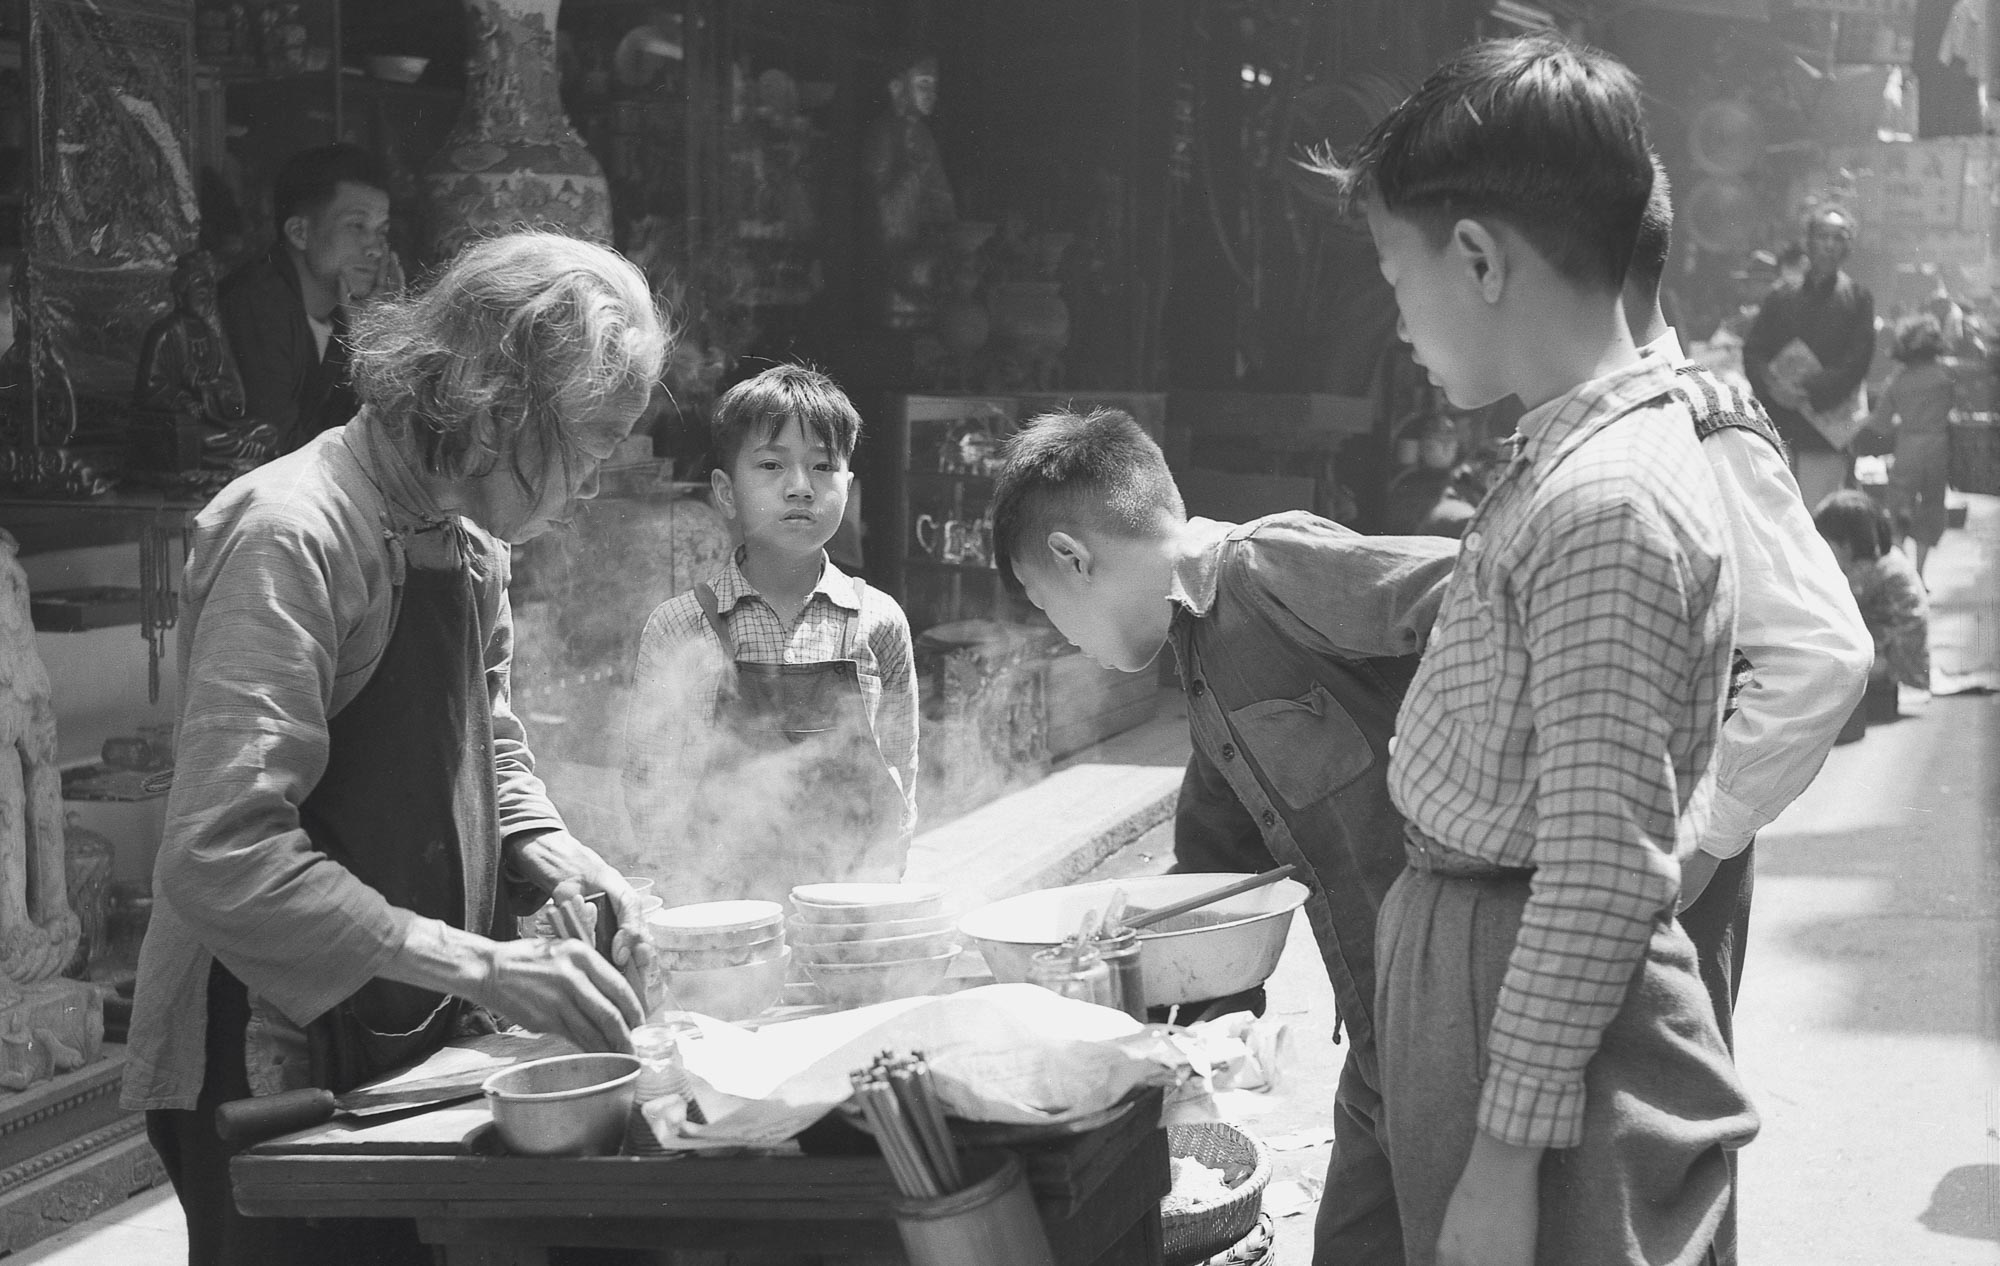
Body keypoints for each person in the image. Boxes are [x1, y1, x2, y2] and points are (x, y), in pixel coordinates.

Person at [122, 232, 669, 1266]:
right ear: (502, 406)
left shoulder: (469, 544)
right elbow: (220, 854)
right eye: (594, 441)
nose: (597, 480)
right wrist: (489, 967)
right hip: (265, 1045)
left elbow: (490, 753)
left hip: (403, 1020)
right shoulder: (293, 533)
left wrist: (574, 866)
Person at [1331, 35, 1759, 1266]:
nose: (1396, 319)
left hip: (1532, 1017)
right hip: (1498, 987)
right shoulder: (1570, 461)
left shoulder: (1603, 503)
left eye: (1391, 275)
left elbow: (1596, 873)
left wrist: (1503, 1159)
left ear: (1475, 258)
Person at [990, 406, 1459, 1266]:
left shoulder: (1265, 567)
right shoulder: (1201, 670)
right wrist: (1183, 1046)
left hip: (1461, 1009)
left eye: (1042, 604)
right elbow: (1217, 872)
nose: (1058, 633)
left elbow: (1480, 592)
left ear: (1072, 558)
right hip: (1382, 1026)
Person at [1623, 159, 1872, 1266]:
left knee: (1659, 1156)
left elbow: (1817, 653)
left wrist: (1702, 833)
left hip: (1669, 857)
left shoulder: (1693, 423)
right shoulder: (1621, 418)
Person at [622, 364, 917, 906]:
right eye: (772, 464)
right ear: (726, 492)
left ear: (847, 489)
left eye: (824, 466)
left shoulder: (879, 622)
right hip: (718, 908)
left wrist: (884, 888)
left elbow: (901, 772)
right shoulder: (680, 625)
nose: (800, 487)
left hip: (849, 905)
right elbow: (649, 784)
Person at [218, 143, 399, 459]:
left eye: (381, 231)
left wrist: (370, 337)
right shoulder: (259, 303)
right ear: (300, 232)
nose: (375, 248)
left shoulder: (344, 313)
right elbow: (279, 450)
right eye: (357, 226)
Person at [1743, 206, 1876, 513]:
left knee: (1818, 521)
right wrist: (1772, 386)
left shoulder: (1857, 298)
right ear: (1808, 242)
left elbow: (1857, 362)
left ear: (1848, 246)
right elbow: (1754, 351)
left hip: (1825, 433)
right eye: (1822, 237)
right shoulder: (1781, 296)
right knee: (1777, 519)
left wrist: (1808, 390)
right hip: (1780, 424)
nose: (1829, 245)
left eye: (1838, 238)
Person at [1816, 490, 1931, 732]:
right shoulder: (1884, 559)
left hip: (1894, 662)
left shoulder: (1863, 574)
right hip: (1903, 655)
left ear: (1846, 545)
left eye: (1826, 545)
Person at [1869, 313, 1956, 577]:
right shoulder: (1945, 377)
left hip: (1908, 446)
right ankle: (1920, 572)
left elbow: (1880, 423)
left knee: (1899, 505)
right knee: (1931, 506)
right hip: (1938, 448)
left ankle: (1902, 569)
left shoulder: (1898, 381)